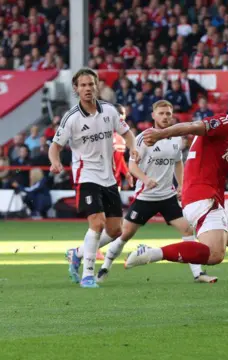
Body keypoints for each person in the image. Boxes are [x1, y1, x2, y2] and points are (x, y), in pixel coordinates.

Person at [123, 87, 228, 322]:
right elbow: (194, 126)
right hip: (202, 196)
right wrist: (162, 134)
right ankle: (153, 253)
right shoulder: (224, 123)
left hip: (212, 200)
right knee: (215, 254)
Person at [96, 100, 217, 284]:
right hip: (146, 196)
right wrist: (145, 179)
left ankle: (198, 274)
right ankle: (104, 266)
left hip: (167, 196)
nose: (165, 117)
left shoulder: (177, 137)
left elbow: (178, 162)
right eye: (161, 113)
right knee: (125, 233)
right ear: (153, 116)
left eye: (168, 113)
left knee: (187, 229)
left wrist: (181, 185)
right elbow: (132, 165)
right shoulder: (145, 138)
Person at [49, 68, 140, 288]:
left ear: (96, 86)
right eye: (83, 85)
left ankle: (77, 253)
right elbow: (55, 146)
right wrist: (55, 161)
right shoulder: (71, 118)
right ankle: (88, 275)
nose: (88, 89)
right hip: (86, 175)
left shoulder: (109, 111)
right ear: (76, 89)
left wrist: (134, 148)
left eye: (91, 84)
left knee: (116, 230)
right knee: (97, 223)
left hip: (109, 178)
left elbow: (127, 134)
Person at [113, 104, 133, 189]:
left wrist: (126, 173)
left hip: (116, 181)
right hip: (102, 181)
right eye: (118, 113)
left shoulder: (122, 137)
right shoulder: (103, 133)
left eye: (123, 113)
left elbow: (119, 158)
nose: (121, 116)